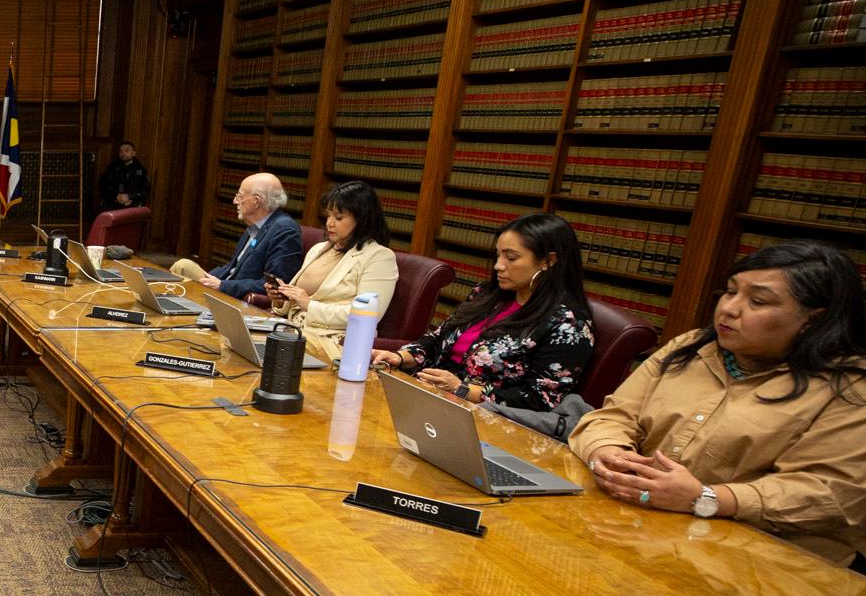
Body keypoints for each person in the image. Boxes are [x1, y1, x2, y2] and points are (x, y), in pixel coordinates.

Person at [568, 240, 866, 568]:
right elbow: (613, 415)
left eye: (758, 301)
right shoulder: (690, 347)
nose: (730, 309)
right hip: (644, 530)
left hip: (764, 565)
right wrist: (607, 452)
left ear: (813, 320)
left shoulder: (849, 388)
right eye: (729, 291)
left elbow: (827, 493)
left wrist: (706, 498)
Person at [372, 212, 593, 413]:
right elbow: (438, 337)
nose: (498, 265)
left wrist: (463, 390)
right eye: (498, 256)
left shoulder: (568, 324)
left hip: (484, 421)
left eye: (511, 258)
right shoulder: (486, 294)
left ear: (548, 261)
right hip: (427, 400)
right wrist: (401, 357)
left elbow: (540, 400)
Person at [268, 180, 398, 362]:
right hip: (292, 330)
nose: (329, 223)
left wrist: (308, 305)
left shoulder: (379, 257)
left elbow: (368, 316)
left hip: (331, 342)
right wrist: (282, 299)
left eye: (338, 218)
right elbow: (299, 302)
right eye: (328, 216)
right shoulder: (319, 248)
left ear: (362, 219)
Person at [191, 173, 302, 299]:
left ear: (256, 201)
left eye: (240, 196)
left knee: (183, 270)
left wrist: (222, 285)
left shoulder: (285, 230)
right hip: (223, 289)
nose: (235, 201)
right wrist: (207, 278)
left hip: (235, 300)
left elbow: (275, 285)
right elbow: (232, 267)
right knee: (184, 267)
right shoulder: (254, 226)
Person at [99, 141, 152, 209]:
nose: (123, 153)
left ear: (133, 153)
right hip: (113, 204)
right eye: (121, 151)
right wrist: (116, 196)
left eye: (126, 151)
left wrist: (130, 197)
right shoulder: (112, 168)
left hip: (132, 205)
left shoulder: (140, 170)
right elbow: (103, 185)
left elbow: (145, 190)